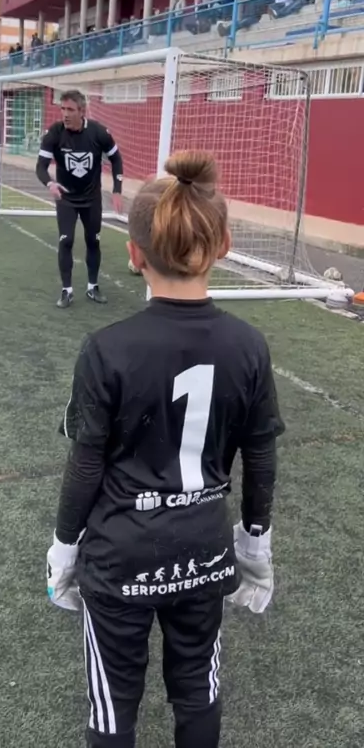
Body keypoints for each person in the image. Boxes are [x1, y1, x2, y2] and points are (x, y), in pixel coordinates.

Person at [47, 149, 284, 747]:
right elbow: (260, 457)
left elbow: (86, 462)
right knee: (198, 691)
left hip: (119, 557)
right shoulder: (249, 346)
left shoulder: (107, 348)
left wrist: (64, 547)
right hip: (203, 552)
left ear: (134, 254)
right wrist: (255, 544)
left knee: (113, 707)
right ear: (223, 244)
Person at [36, 89, 124, 308]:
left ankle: (93, 287)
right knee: (66, 241)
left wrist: (117, 189)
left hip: (92, 199)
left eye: (70, 110)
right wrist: (50, 183)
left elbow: (116, 159)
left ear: (82, 111)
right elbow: (41, 167)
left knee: (93, 241)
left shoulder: (98, 132)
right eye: (62, 109)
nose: (65, 114)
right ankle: (67, 291)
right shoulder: (55, 133)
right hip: (65, 198)